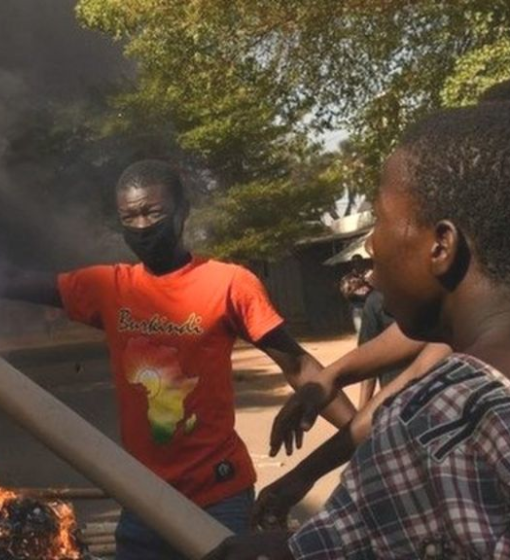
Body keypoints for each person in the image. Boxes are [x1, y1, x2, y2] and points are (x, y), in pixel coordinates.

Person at [0, 160, 355, 559]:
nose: (142, 226)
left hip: (220, 496)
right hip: (144, 499)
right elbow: (16, 282)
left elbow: (299, 365)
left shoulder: (229, 283)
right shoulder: (108, 287)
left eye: (153, 212)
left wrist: (361, 434)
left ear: (182, 212)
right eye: (129, 216)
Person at [217, 98, 510, 558]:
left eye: (381, 220)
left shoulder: (432, 420)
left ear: (442, 246)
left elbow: (341, 545)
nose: (371, 244)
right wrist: (333, 375)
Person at [356, 290, 404, 407]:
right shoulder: (376, 300)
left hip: (395, 397)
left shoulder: (376, 299)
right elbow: (369, 360)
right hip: (394, 398)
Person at [339, 254, 373, 333]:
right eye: (355, 262)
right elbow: (345, 294)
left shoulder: (371, 274)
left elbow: (379, 287)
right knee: (361, 332)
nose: (358, 264)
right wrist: (356, 287)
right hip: (357, 307)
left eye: (359, 262)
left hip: (372, 306)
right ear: (352, 264)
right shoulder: (348, 278)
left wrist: (368, 283)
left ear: (363, 262)